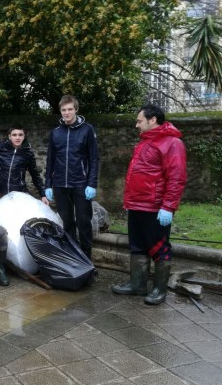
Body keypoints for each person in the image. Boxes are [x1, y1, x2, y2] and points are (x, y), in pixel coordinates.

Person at [112, 104, 187, 305]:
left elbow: (177, 177)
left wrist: (168, 206)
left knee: (159, 248)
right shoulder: (145, 142)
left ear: (152, 120)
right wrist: (129, 201)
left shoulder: (172, 143)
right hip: (137, 205)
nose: (137, 125)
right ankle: (137, 284)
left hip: (155, 207)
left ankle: (159, 290)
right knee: (137, 246)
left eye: (139, 121)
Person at [44, 95, 100, 259]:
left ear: (76, 109)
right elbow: (50, 160)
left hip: (80, 183)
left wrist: (92, 183)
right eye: (63, 110)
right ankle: (74, 258)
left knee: (83, 222)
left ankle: (86, 258)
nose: (66, 113)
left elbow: (94, 158)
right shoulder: (55, 133)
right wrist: (48, 184)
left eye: (70, 109)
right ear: (60, 111)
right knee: (67, 222)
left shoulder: (87, 129)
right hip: (60, 184)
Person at [0, 123, 49, 204]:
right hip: (0, 192)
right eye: (14, 135)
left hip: (18, 193)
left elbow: (35, 175)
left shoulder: (28, 154)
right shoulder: (0, 147)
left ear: (24, 136)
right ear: (9, 136)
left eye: (20, 135)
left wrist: (43, 195)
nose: (17, 137)